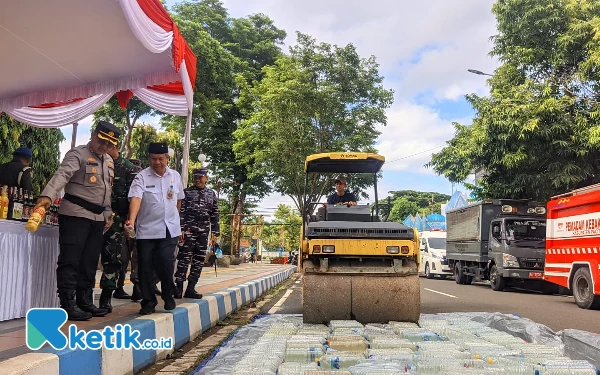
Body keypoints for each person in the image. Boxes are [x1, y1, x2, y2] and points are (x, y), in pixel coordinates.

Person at [35, 121, 119, 321]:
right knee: (71, 260)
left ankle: (85, 301)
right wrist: (47, 196)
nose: (104, 147)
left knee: (89, 262)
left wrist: (107, 212)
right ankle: (68, 303)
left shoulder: (108, 161)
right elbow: (62, 175)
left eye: (109, 145)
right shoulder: (78, 154)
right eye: (101, 141)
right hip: (75, 214)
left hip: (97, 218)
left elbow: (106, 189)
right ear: (93, 134)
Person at [126, 142, 184, 315]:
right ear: (149, 158)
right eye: (153, 159)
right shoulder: (141, 177)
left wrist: (176, 219)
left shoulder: (175, 176)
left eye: (160, 159)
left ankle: (168, 294)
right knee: (145, 267)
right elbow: (136, 198)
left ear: (167, 158)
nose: (157, 162)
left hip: (169, 229)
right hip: (147, 230)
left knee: (166, 263)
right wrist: (131, 221)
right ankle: (148, 301)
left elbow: (179, 199)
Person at [98, 146, 139, 313]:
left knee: (113, 258)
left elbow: (135, 197)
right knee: (88, 257)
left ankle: (106, 296)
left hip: (117, 219)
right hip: (95, 215)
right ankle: (83, 295)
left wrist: (129, 221)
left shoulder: (129, 168)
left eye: (106, 145)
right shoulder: (97, 163)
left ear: (113, 146)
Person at [174, 167, 219, 299]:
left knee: (199, 260)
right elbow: (181, 211)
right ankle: (178, 287)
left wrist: (215, 232)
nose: (198, 180)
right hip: (188, 230)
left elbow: (215, 214)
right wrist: (180, 228)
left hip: (203, 232)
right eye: (195, 177)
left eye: (200, 177)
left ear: (206, 178)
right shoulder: (186, 193)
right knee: (183, 259)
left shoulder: (211, 194)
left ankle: (191, 288)